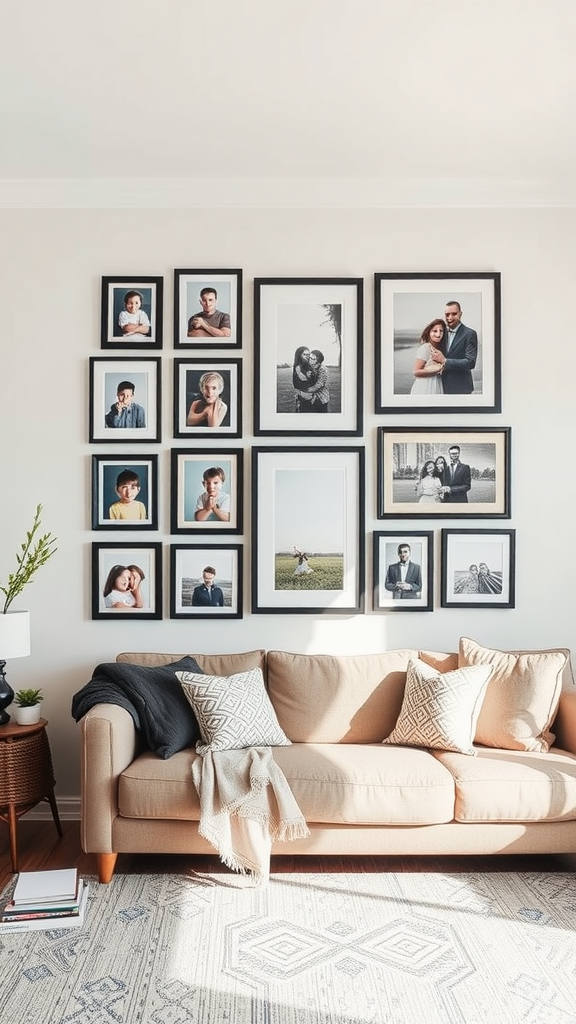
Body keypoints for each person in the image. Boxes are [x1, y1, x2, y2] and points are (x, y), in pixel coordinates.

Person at [431, 301, 478, 394]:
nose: (450, 318)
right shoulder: (441, 333)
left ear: (460, 314)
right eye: (447, 314)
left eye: (454, 314)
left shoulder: (470, 333)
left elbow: (470, 362)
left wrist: (445, 361)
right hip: (440, 386)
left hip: (461, 387)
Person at [410, 319, 446, 395]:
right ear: (429, 332)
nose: (438, 334)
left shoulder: (440, 348)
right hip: (426, 385)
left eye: (441, 331)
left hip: (437, 383)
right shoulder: (425, 348)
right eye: (435, 331)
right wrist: (437, 369)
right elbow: (416, 372)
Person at [292, 346, 313, 412]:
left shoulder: (307, 365)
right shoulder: (298, 367)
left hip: (309, 396)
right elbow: (303, 380)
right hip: (304, 397)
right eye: (305, 354)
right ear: (299, 355)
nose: (307, 356)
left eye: (308, 354)